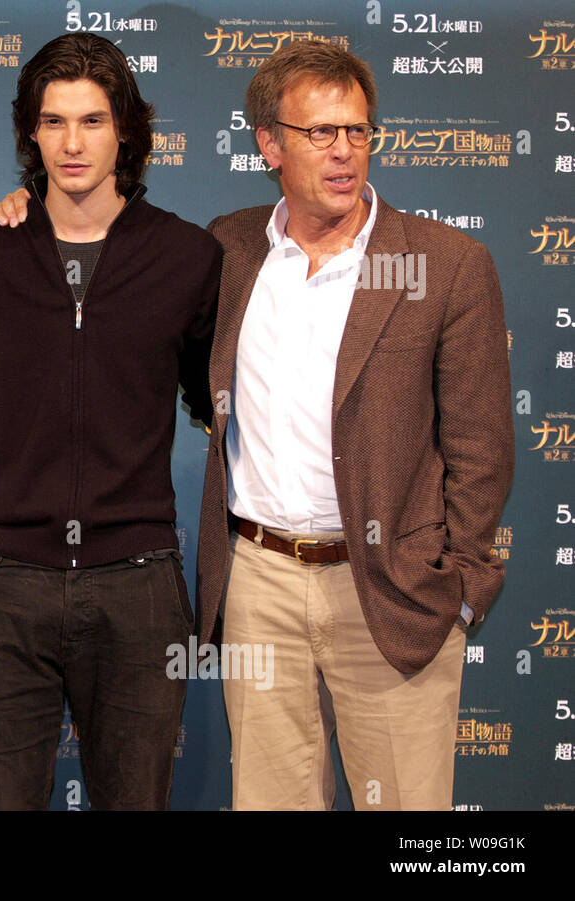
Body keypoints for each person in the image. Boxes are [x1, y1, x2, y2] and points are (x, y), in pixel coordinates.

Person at [195, 41, 513, 809]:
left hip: (394, 589)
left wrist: (461, 588)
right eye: (319, 133)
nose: (344, 152)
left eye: (359, 131)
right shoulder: (229, 249)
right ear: (269, 144)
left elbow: (482, 445)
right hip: (258, 581)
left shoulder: (445, 262)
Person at [0, 32, 221, 810]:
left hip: (138, 584)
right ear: (29, 130)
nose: (72, 142)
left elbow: (214, 394)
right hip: (3, 584)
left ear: (125, 128)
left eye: (92, 120)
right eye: (54, 121)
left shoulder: (188, 258)